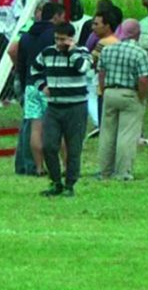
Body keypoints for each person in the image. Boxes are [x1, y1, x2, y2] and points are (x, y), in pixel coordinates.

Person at [31, 22, 92, 197]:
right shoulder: (47, 52)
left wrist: (71, 51)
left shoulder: (82, 53)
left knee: (73, 148)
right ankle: (56, 182)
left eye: (62, 39)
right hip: (54, 106)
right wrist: (42, 86)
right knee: (49, 145)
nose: (58, 42)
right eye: (56, 38)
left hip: (76, 106)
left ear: (71, 38)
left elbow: (83, 68)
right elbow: (34, 70)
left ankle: (70, 184)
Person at [97, 20, 148, 181]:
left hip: (110, 92)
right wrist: (142, 97)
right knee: (126, 135)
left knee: (107, 133)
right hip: (129, 93)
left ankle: (105, 170)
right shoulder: (140, 53)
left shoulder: (108, 50)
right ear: (137, 33)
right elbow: (143, 79)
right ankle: (122, 172)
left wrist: (104, 89)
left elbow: (101, 73)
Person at [14, 2, 65, 176]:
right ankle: (62, 166)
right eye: (62, 16)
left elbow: (19, 62)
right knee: (58, 127)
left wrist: (24, 82)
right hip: (50, 85)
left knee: (34, 127)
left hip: (31, 85)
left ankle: (36, 166)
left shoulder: (27, 35)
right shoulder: (55, 35)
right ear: (56, 16)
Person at [89, 8, 122, 133]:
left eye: (97, 24)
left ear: (107, 26)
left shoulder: (102, 43)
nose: (93, 27)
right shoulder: (117, 41)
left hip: (103, 87)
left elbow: (91, 62)